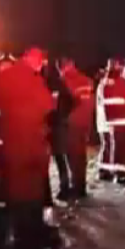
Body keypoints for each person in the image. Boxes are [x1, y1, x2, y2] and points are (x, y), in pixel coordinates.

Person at [0, 46, 56, 249]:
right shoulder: (31, 79)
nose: (41, 67)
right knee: (29, 188)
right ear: (34, 60)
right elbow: (48, 106)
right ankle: (28, 233)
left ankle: (12, 229)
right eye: (41, 63)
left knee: (11, 185)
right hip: (29, 143)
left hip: (8, 143)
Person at [95, 57, 125, 183]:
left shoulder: (105, 82)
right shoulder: (122, 81)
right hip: (124, 121)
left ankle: (106, 171)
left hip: (107, 121)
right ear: (119, 67)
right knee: (123, 149)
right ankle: (121, 175)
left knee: (110, 147)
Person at [57, 57, 95, 198]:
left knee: (72, 157)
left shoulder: (65, 81)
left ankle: (75, 187)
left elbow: (63, 105)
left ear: (64, 66)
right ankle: (81, 186)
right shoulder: (87, 80)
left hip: (70, 124)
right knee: (80, 156)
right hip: (84, 123)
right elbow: (90, 103)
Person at [42, 56, 75, 201]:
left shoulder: (45, 83)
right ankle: (62, 189)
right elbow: (71, 101)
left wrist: (59, 116)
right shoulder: (58, 83)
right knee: (58, 159)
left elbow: (70, 100)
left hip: (50, 126)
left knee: (49, 161)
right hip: (55, 125)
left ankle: (49, 194)